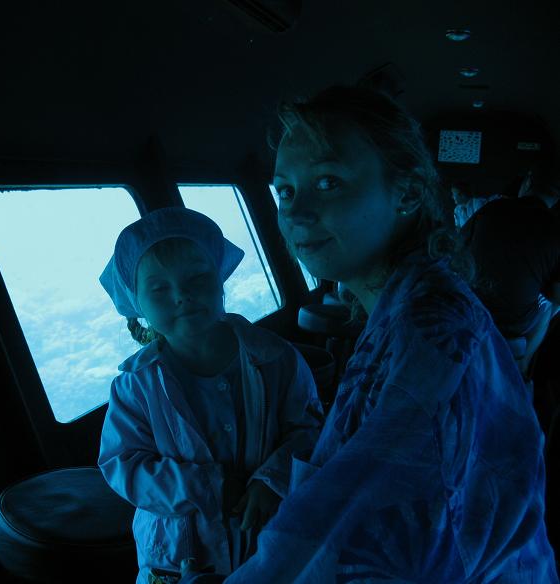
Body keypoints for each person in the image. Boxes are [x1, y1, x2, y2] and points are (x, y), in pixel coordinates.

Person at [182, 85, 558, 583]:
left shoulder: (430, 333)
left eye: (328, 182)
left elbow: (346, 539)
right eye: (285, 190)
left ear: (407, 193)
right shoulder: (408, 305)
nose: (295, 212)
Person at [97, 207, 324, 584]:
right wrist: (209, 486)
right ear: (136, 303)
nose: (181, 295)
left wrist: (273, 480)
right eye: (159, 288)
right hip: (177, 558)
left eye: (197, 278)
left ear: (220, 279)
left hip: (268, 540)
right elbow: (123, 465)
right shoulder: (135, 386)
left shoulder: (277, 359)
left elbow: (309, 431)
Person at [461, 164, 560, 376]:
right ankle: (523, 364)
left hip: (469, 310)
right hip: (512, 327)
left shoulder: (491, 209)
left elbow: (457, 250)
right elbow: (556, 295)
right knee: (549, 307)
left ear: (528, 181)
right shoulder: (555, 230)